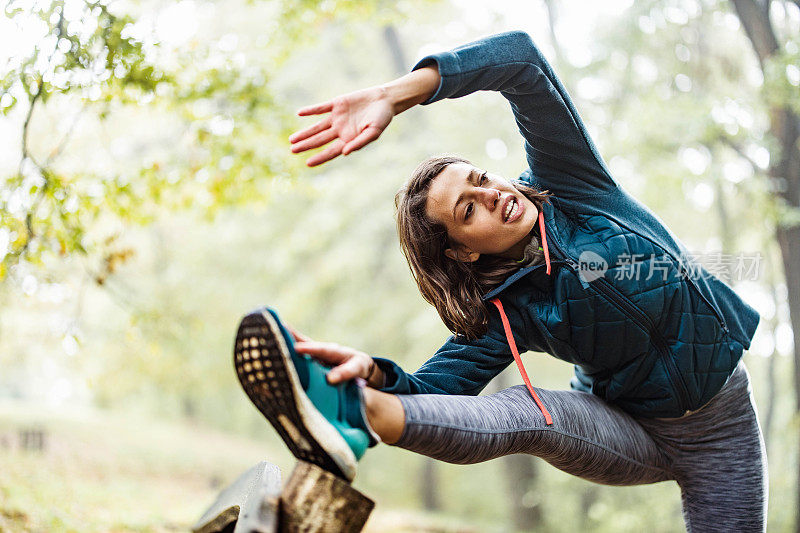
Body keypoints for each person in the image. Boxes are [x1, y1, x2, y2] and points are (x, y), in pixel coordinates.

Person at [234, 31, 767, 531]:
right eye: (469, 210)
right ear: (463, 251)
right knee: (530, 414)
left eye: (481, 178)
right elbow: (433, 394)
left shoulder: (571, 183)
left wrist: (397, 95)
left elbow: (521, 59)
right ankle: (355, 412)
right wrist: (373, 373)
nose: (491, 194)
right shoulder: (503, 312)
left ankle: (353, 412)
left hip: (722, 429)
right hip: (628, 428)